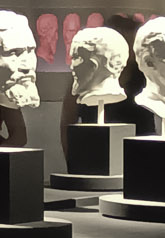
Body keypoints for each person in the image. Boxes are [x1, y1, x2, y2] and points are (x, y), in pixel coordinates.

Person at [59, 14, 155, 162]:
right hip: (95, 153)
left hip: (140, 156)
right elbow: (68, 119)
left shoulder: (144, 76)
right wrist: (72, 159)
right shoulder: (86, 77)